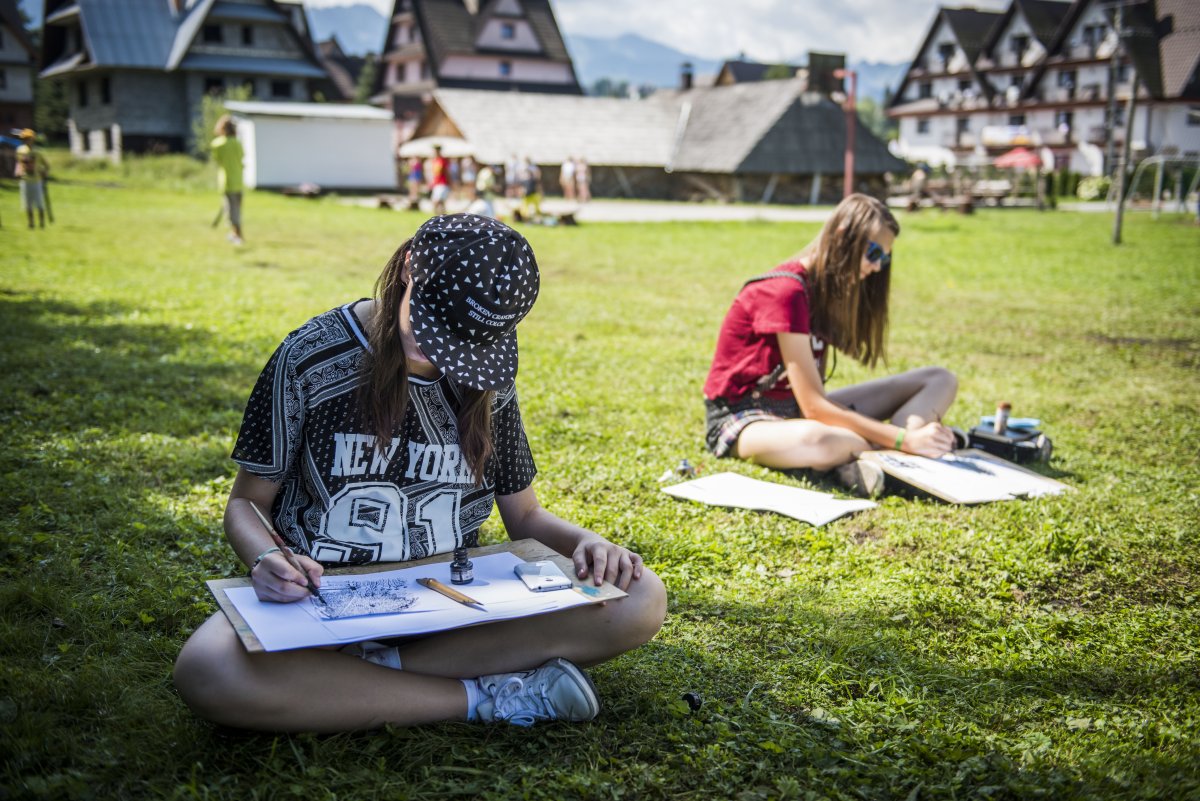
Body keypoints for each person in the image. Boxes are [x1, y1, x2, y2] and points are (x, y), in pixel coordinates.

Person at [174, 214, 666, 732]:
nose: (439, 352)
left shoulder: (482, 376)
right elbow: (245, 504)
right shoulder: (309, 357)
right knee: (207, 668)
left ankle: (349, 682)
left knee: (639, 598)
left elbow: (526, 516)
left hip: (454, 611)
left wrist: (592, 544)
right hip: (322, 605)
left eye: (460, 344)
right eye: (433, 328)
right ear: (410, 265)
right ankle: (483, 698)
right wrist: (267, 556)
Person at [702, 194, 957, 497]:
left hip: (791, 411)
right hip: (743, 418)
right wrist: (901, 438)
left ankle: (888, 453)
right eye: (873, 252)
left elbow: (809, 405)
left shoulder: (826, 291)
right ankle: (895, 449)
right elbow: (814, 406)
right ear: (841, 237)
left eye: (884, 258)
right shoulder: (786, 291)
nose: (877, 267)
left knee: (939, 379)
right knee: (823, 440)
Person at [210, 115, 245, 245]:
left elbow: (218, 160)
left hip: (227, 182)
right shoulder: (237, 143)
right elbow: (241, 157)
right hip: (239, 181)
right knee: (237, 210)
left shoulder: (218, 144)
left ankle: (237, 235)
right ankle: (236, 234)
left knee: (231, 212)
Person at [14, 129, 49, 230]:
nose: (26, 141)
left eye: (28, 139)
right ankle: (31, 224)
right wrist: (17, 171)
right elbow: (19, 163)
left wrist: (44, 172)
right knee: (27, 204)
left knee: (39, 203)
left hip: (37, 181)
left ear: (32, 139)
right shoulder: (20, 150)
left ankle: (42, 224)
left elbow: (46, 165)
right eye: (24, 139)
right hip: (25, 180)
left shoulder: (37, 152)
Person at [429, 146, 450, 215]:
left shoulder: (443, 160)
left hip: (443, 183)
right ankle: (440, 217)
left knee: (438, 201)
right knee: (439, 202)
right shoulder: (434, 161)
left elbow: (447, 172)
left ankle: (441, 217)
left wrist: (449, 182)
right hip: (436, 183)